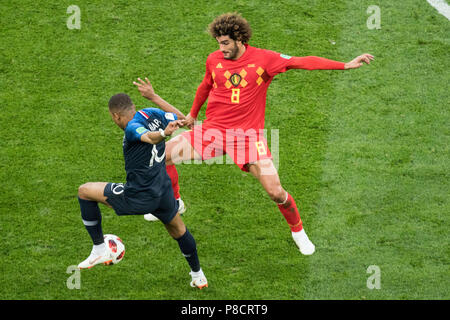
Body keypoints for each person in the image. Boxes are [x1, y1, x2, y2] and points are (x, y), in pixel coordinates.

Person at [134, 13, 374, 255]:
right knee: (159, 155)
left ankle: (298, 231)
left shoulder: (264, 60)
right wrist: (193, 114)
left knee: (276, 192)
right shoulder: (214, 60)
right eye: (218, 43)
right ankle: (175, 202)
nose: (221, 48)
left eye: (225, 43)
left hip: (247, 138)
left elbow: (302, 61)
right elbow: (205, 85)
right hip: (213, 131)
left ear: (240, 39)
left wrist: (345, 64)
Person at [76, 93, 208, 289]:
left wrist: (163, 135)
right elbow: (181, 118)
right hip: (163, 191)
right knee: (179, 231)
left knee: (84, 191)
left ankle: (99, 248)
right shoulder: (151, 113)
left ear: (116, 116)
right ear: (133, 106)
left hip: (139, 195)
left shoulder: (131, 128)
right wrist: (160, 103)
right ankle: (198, 276)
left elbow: (146, 136)